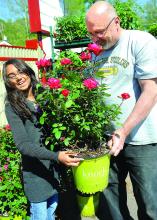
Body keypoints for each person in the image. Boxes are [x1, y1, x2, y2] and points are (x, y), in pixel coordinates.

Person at [86, 1, 157, 220]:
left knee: (150, 202)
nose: (95, 39)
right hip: (106, 139)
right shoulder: (95, 52)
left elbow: (151, 91)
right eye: (91, 34)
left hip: (142, 140)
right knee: (111, 199)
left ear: (116, 22)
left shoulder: (141, 41)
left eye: (99, 32)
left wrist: (123, 131)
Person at [2, 58, 82, 220]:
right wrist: (57, 156)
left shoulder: (46, 96)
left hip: (53, 171)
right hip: (36, 174)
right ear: (8, 81)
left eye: (21, 71)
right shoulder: (13, 106)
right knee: (40, 215)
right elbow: (23, 145)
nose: (18, 77)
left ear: (29, 73)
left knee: (52, 212)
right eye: (12, 75)